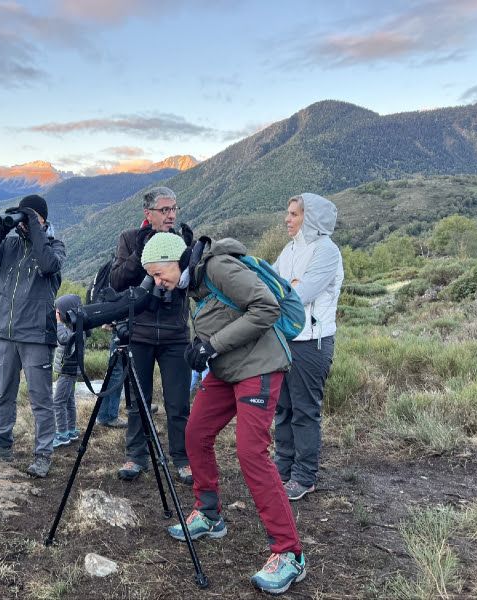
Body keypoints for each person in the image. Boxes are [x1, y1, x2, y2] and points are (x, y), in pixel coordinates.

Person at [141, 232, 306, 595]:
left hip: (260, 367)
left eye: (158, 274)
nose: (158, 282)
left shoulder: (216, 267)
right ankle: (209, 514)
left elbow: (266, 308)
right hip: (226, 368)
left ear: (175, 260)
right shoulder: (192, 281)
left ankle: (289, 554)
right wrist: (201, 347)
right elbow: (219, 317)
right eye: (152, 276)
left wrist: (212, 345)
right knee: (195, 433)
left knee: (251, 454)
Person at [0, 195, 66, 478]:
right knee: (3, 394)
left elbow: (48, 266)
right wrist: (1, 229)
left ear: (43, 220)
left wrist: (35, 226)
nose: (25, 222)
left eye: (32, 217)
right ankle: (2, 443)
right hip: (5, 332)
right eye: (24, 217)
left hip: (36, 334)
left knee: (41, 398)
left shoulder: (55, 246)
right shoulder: (10, 245)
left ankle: (44, 453)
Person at [109, 186, 193, 485]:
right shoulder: (129, 238)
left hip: (175, 334)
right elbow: (116, 281)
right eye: (165, 210)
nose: (171, 215)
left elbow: (194, 285)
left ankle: (182, 458)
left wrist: (188, 259)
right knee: (137, 400)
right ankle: (136, 456)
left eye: (174, 209)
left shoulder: (184, 238)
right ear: (149, 213)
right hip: (140, 333)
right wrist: (140, 254)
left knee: (178, 401)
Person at [273, 193, 343, 500]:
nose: (287, 219)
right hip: (286, 341)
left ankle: (304, 476)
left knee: (304, 411)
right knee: (283, 408)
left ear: (309, 218)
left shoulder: (326, 251)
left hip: (311, 344)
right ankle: (283, 467)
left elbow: (299, 295)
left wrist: (289, 287)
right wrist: (290, 285)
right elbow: (270, 283)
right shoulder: (290, 250)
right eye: (288, 213)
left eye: (293, 214)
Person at [53, 294, 82, 447]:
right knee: (69, 401)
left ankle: (62, 434)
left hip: (67, 371)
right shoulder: (77, 326)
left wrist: (58, 322)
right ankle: (71, 430)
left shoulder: (74, 330)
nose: (56, 314)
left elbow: (63, 339)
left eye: (58, 311)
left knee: (58, 402)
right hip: (71, 371)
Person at [95, 327, 127, 428]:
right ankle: (111, 417)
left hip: (120, 334)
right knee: (116, 375)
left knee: (113, 375)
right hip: (121, 335)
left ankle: (104, 416)